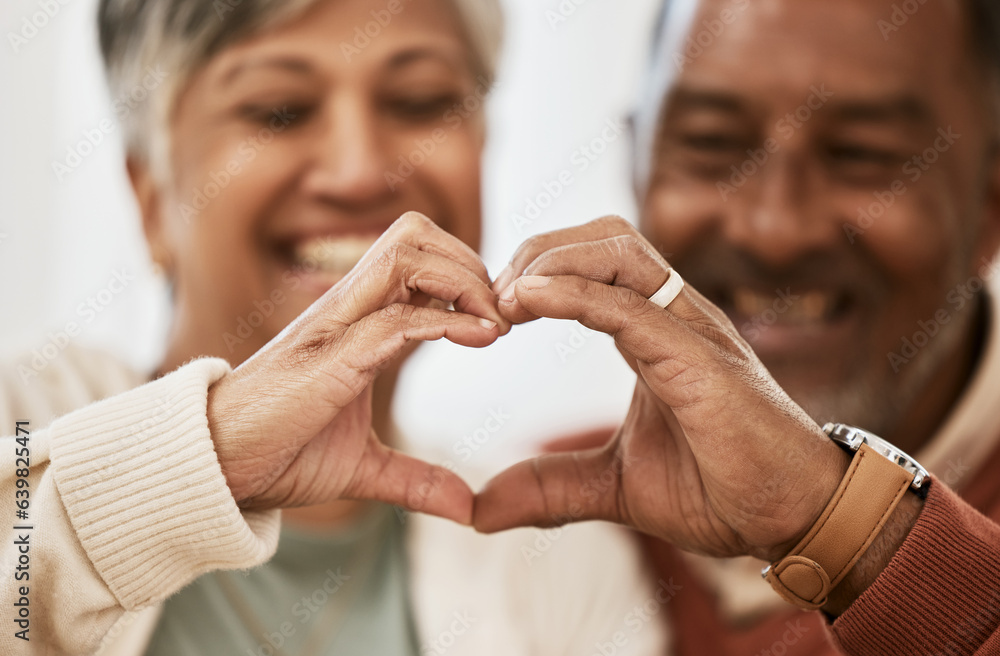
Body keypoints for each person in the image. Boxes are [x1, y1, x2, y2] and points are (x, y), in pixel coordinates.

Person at [0, 0, 669, 654]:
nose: (359, 173)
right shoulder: (18, 423)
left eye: (418, 100)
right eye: (278, 111)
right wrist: (205, 457)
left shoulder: (557, 563)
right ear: (149, 197)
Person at [474, 0, 1000, 653]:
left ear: (990, 198)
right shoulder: (538, 517)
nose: (773, 228)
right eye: (711, 142)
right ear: (637, 165)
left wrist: (841, 525)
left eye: (862, 153)